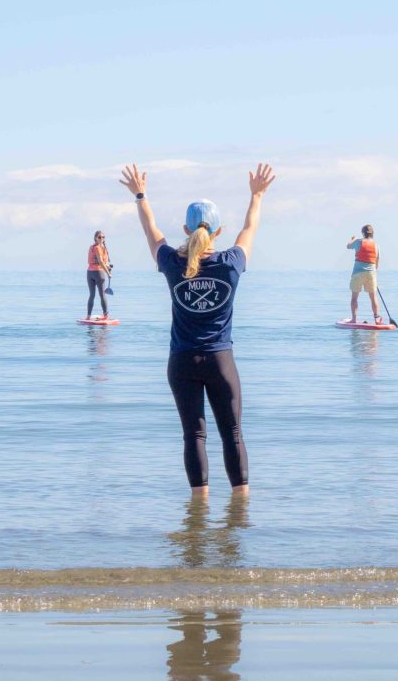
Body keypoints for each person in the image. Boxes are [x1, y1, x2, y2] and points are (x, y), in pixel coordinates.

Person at [120, 162, 276, 498]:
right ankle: (240, 512)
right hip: (221, 361)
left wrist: (140, 195)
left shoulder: (171, 262)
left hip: (182, 362)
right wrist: (257, 195)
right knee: (232, 433)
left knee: (194, 435)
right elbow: (250, 227)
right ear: (218, 232)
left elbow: (150, 229)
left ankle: (198, 513)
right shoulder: (231, 262)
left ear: (185, 230)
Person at [346, 224, 381, 324]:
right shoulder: (376, 245)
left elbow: (348, 246)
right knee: (373, 297)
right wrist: (373, 273)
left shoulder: (358, 242)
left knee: (354, 298)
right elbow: (377, 262)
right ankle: (377, 319)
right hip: (371, 273)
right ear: (372, 234)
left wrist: (353, 239)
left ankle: (353, 319)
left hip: (358, 273)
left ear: (363, 233)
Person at [86, 230, 112, 320]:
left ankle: (88, 316)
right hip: (98, 273)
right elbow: (101, 262)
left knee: (92, 295)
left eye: (103, 237)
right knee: (102, 295)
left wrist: (108, 267)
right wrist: (108, 273)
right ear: (95, 238)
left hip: (89, 273)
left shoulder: (97, 247)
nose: (102, 239)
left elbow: (105, 262)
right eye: (99, 237)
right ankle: (106, 315)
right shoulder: (97, 248)